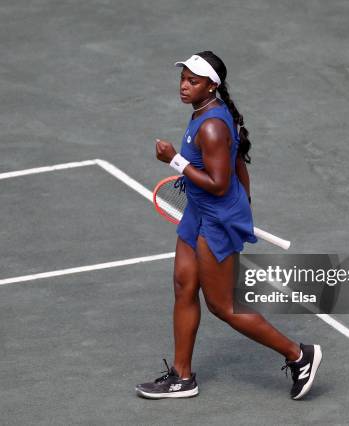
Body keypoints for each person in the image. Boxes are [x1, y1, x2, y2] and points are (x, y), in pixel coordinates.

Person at [135, 51, 322, 400]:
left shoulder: (210, 126)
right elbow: (238, 166)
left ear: (211, 85)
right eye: (183, 78)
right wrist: (246, 204)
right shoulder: (206, 114)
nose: (184, 85)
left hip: (216, 218)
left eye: (194, 80)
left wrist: (174, 160)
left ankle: (299, 355)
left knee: (222, 306)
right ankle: (181, 376)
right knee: (183, 284)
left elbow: (219, 183)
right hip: (198, 212)